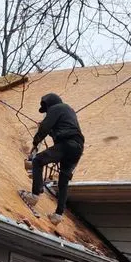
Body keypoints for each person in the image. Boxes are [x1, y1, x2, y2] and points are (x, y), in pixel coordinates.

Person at [22, 93, 84, 223]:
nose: (47, 112)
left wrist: (36, 142)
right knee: (63, 181)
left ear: (49, 104)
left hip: (67, 144)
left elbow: (45, 127)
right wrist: (50, 130)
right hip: (77, 148)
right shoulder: (68, 111)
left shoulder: (56, 108)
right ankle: (58, 216)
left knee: (38, 160)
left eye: (46, 109)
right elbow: (60, 129)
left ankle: (34, 196)